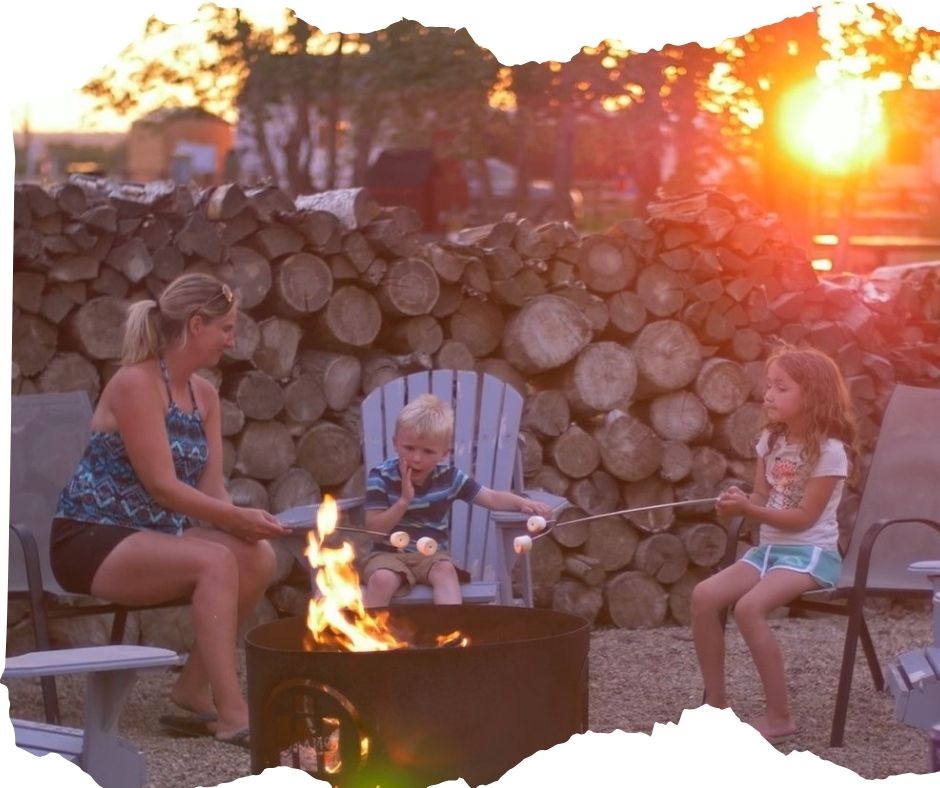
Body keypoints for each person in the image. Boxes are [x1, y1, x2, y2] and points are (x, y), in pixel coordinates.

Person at [50, 272, 288, 748]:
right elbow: (162, 487)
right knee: (215, 560)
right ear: (196, 325)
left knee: (257, 556)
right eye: (226, 329)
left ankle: (192, 688)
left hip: (155, 534)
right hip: (92, 538)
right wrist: (234, 520)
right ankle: (232, 714)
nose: (232, 340)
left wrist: (247, 526)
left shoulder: (204, 396)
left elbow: (211, 489)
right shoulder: (135, 384)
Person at [690, 344, 858, 743]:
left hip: (811, 557)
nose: (769, 395)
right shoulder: (770, 442)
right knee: (703, 596)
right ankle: (716, 704)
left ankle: (779, 716)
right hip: (768, 553)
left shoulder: (831, 453)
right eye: (769, 387)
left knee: (749, 608)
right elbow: (763, 499)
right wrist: (741, 502)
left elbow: (804, 518)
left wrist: (751, 511)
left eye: (781, 388)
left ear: (812, 395)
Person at [360, 393, 554, 607]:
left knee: (446, 571)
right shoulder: (381, 476)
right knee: (382, 579)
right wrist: (403, 501)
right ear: (395, 443)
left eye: (427, 451)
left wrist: (521, 503)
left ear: (444, 454)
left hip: (432, 555)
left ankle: (450, 634)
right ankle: (371, 638)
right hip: (387, 555)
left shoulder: (449, 478)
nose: (416, 458)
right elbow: (373, 531)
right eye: (409, 448)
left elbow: (491, 497)